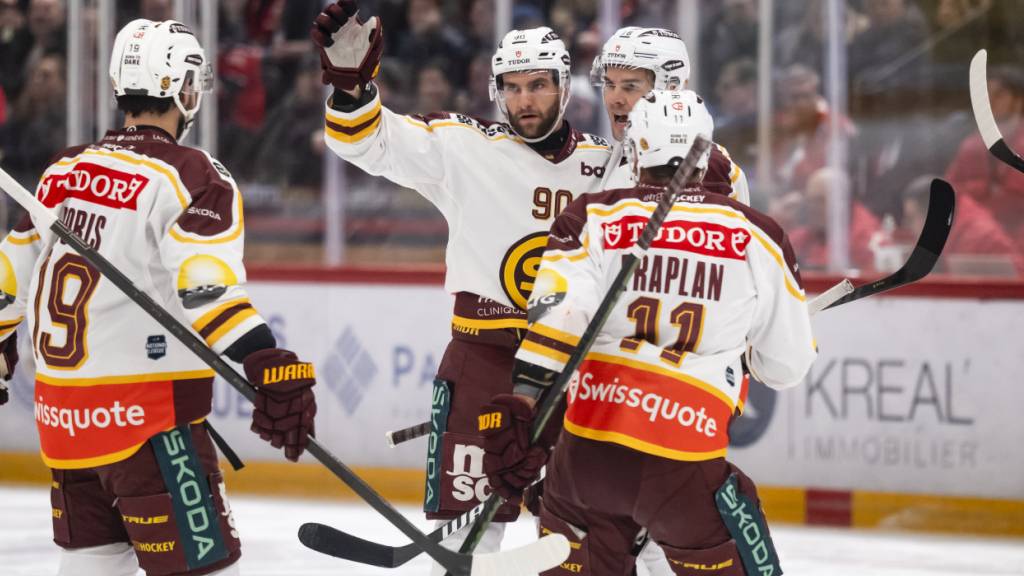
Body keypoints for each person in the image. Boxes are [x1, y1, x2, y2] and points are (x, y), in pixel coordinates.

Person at [0, 19, 317, 576]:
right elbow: (207, 290)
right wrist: (266, 358)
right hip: (149, 426)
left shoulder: (64, 170)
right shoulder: (189, 174)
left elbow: (8, 278)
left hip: (63, 428)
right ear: (180, 86)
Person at [310, 0, 611, 567]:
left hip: (580, 373)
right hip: (485, 363)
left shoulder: (610, 166)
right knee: (463, 539)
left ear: (565, 88)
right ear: (497, 91)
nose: (526, 100)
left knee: (593, 540)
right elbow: (369, 144)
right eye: (513, 87)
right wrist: (353, 93)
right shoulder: (466, 147)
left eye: (540, 85)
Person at [478, 90, 817, 575]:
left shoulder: (591, 215)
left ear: (635, 151)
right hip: (683, 461)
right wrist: (740, 348)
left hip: (586, 459)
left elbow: (559, 323)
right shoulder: (759, 234)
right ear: (708, 154)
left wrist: (523, 408)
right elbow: (786, 367)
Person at [591, 26, 750, 205]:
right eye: (609, 84)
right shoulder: (622, 152)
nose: (614, 99)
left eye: (630, 87)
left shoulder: (708, 167)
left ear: (672, 88)